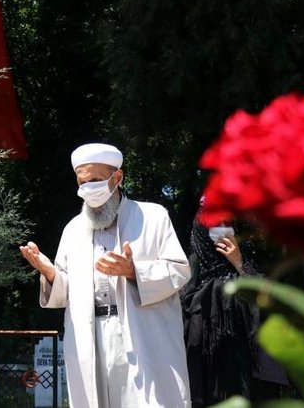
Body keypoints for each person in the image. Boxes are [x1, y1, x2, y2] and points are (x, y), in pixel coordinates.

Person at [20, 143, 192, 408]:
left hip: (141, 333)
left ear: (118, 177)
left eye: (96, 180)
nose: (89, 188)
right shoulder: (73, 229)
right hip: (90, 336)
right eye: (83, 182)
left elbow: (179, 271)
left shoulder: (153, 217)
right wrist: (50, 274)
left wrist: (134, 271)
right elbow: (67, 293)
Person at [180, 200, 289, 407]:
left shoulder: (246, 269)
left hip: (248, 375)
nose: (222, 233)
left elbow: (271, 303)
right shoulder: (190, 275)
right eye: (214, 226)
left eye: (225, 224)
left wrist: (239, 264)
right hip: (210, 378)